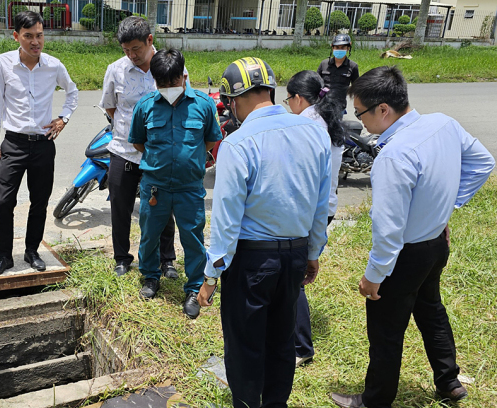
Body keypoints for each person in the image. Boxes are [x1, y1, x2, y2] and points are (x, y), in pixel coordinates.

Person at [331, 66, 495, 408]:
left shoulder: (394, 155)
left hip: (406, 255)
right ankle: (449, 382)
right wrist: (446, 205)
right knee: (431, 309)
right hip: (436, 244)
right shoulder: (442, 124)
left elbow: (389, 232)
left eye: (360, 113)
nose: (360, 122)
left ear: (383, 109)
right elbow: (483, 162)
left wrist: (373, 278)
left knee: (386, 331)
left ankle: (374, 400)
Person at [198, 57, 331, 408]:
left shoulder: (239, 144)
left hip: (252, 260)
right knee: (281, 340)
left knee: (245, 345)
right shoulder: (314, 133)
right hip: (295, 254)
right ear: (270, 91)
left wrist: (211, 275)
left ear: (235, 100)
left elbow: (227, 220)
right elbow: (321, 204)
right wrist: (314, 253)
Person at [128, 49, 222, 319]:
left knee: (192, 237)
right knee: (149, 235)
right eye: (162, 84)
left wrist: (187, 161)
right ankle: (150, 277)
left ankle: (193, 288)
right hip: (155, 186)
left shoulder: (203, 105)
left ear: (184, 76)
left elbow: (210, 140)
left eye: (173, 82)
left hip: (189, 187)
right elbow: (138, 141)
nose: (169, 88)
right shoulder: (145, 106)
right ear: (154, 81)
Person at [0, 11, 78, 278]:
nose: (35, 42)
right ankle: (3, 256)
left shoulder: (53, 65)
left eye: (39, 35)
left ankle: (32, 251)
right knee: (4, 201)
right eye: (28, 36)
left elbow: (72, 92)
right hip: (12, 143)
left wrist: (63, 119)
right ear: (16, 36)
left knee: (40, 201)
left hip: (43, 144)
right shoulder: (2, 64)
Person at [99, 16, 178, 278]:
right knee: (120, 208)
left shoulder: (168, 67)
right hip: (123, 150)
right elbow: (111, 107)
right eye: (126, 50)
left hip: (158, 154)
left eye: (136, 49)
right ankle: (122, 258)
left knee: (162, 208)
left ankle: (166, 260)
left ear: (150, 40)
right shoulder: (115, 70)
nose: (132, 55)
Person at [285, 69, 346, 366]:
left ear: (298, 99)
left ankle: (301, 348)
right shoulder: (327, 121)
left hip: (312, 210)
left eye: (288, 100)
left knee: (294, 279)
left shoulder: (306, 126)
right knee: (294, 275)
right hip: (326, 206)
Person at [317, 34, 359, 114]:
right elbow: (316, 84)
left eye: (342, 47)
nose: (339, 50)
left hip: (339, 107)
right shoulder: (324, 64)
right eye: (337, 47)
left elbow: (356, 89)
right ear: (332, 48)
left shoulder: (353, 66)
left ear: (348, 48)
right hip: (322, 105)